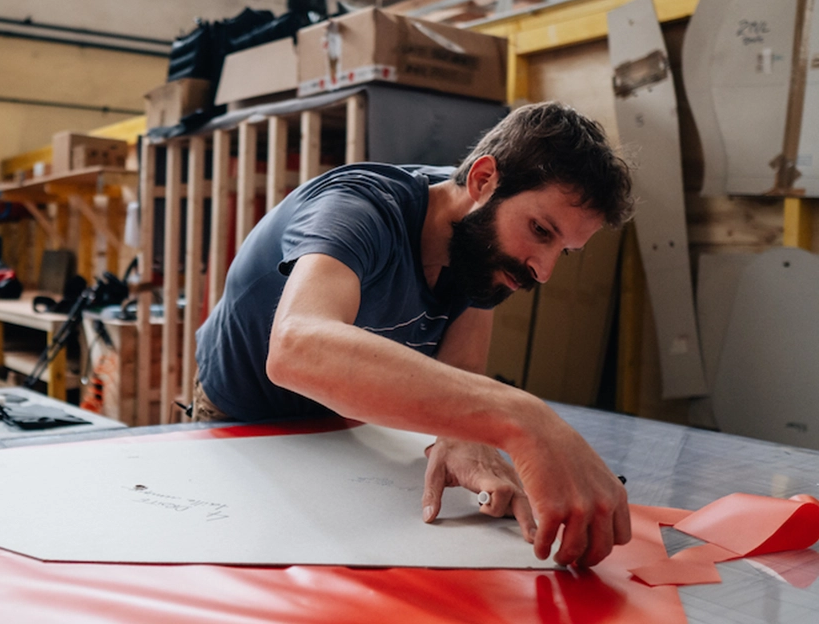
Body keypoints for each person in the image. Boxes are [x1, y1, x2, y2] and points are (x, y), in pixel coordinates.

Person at [191, 101, 635, 569]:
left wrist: (466, 437)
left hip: (341, 423)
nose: (543, 272)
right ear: (483, 181)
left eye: (564, 251)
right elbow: (297, 349)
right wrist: (524, 418)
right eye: (541, 230)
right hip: (241, 419)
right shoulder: (359, 209)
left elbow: (460, 371)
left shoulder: (478, 252)